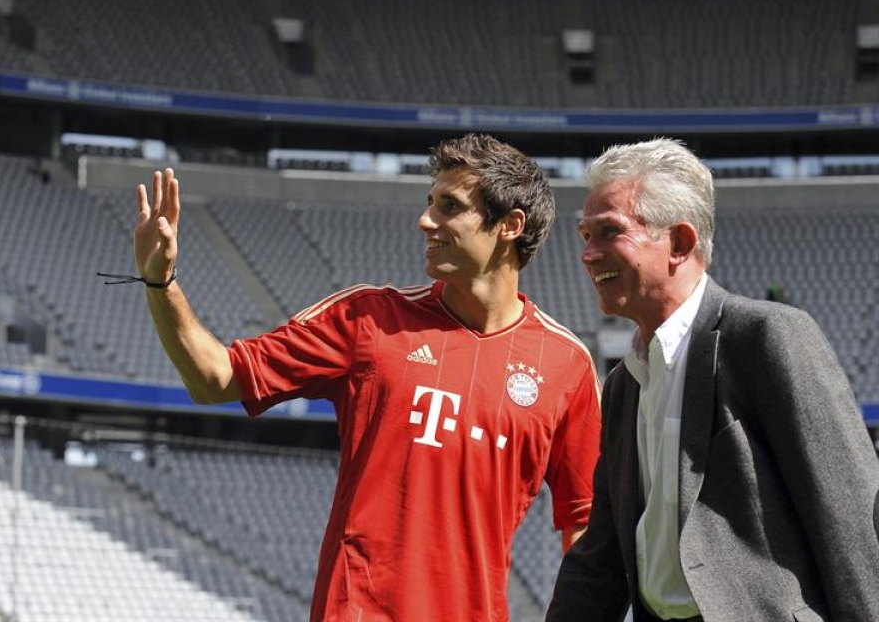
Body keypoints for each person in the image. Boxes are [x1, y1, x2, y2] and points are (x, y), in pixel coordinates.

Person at [130, 133, 602, 621]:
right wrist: (160, 282)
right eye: (429, 203)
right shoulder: (368, 320)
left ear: (509, 226)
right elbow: (215, 378)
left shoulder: (564, 364)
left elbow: (585, 522)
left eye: (449, 206)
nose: (425, 220)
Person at [546, 138, 879, 622]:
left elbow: (849, 519)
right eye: (584, 236)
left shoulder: (766, 337)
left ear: (679, 243)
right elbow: (601, 557)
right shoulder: (623, 384)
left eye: (608, 232)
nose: (588, 254)